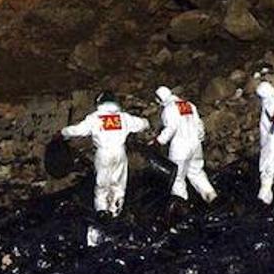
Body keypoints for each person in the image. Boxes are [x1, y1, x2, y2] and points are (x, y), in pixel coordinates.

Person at [61, 91, 149, 246]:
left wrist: (64, 132)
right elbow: (142, 124)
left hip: (103, 154)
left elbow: (78, 130)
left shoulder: (95, 118)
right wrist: (146, 122)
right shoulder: (123, 117)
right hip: (119, 153)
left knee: (102, 186)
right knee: (118, 185)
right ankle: (115, 214)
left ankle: (102, 215)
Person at [155, 86, 217, 204]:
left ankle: (181, 208)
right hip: (196, 145)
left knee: (177, 178)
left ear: (160, 99)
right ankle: (212, 198)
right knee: (197, 173)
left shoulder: (169, 108)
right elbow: (199, 125)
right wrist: (200, 138)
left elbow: (171, 128)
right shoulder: (189, 105)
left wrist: (159, 141)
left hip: (180, 147)